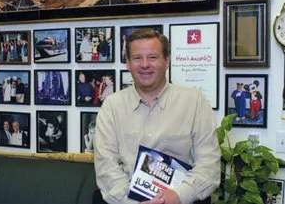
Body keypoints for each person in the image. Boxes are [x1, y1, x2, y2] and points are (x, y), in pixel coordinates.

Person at [94, 28, 220, 204]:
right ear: (128, 63)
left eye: (153, 57)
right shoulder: (112, 106)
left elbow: (209, 165)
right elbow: (106, 167)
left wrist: (178, 196)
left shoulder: (194, 102)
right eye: (137, 58)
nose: (145, 64)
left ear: (166, 61)